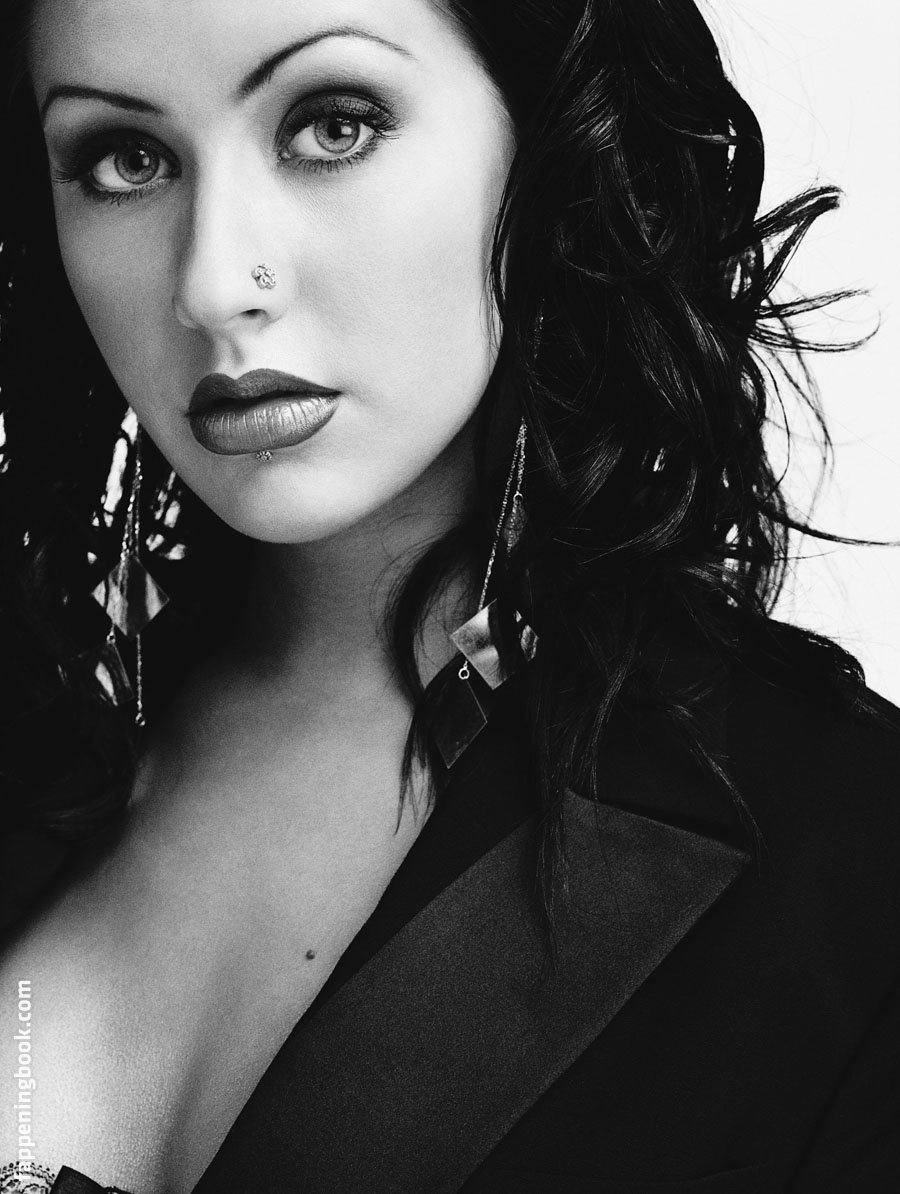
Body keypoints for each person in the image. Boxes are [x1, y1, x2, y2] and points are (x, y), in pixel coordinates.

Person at [1, 0, 898, 1190]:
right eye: (125, 158)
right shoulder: (40, 731)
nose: (214, 284)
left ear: (552, 139)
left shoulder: (851, 859)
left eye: (332, 124)